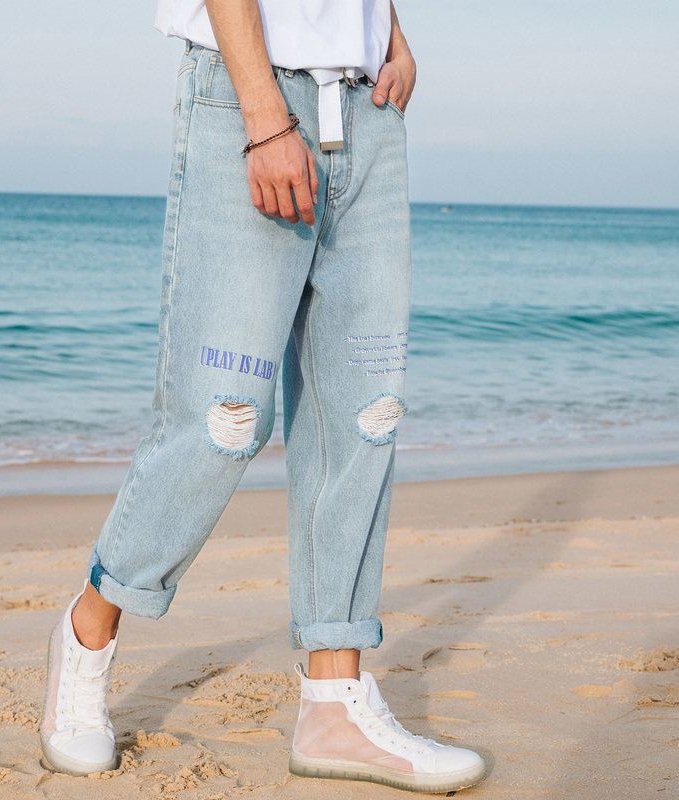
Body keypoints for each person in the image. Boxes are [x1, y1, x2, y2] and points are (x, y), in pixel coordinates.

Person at [39, 0, 486, 793]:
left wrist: (393, 34)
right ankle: (88, 629)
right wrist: (264, 118)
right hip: (250, 99)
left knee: (364, 416)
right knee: (224, 419)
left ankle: (335, 704)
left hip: (369, 109)